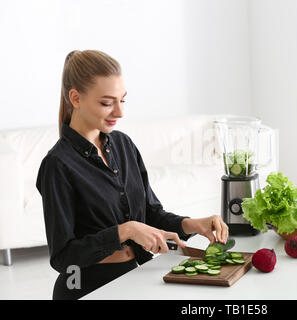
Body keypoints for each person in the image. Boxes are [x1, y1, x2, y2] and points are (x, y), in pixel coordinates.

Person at [36, 50, 229, 300]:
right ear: (75, 98)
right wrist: (125, 231)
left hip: (136, 275)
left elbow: (151, 214)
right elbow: (63, 258)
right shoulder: (57, 165)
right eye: (107, 103)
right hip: (85, 289)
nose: (119, 112)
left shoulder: (123, 145)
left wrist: (192, 224)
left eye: (122, 100)